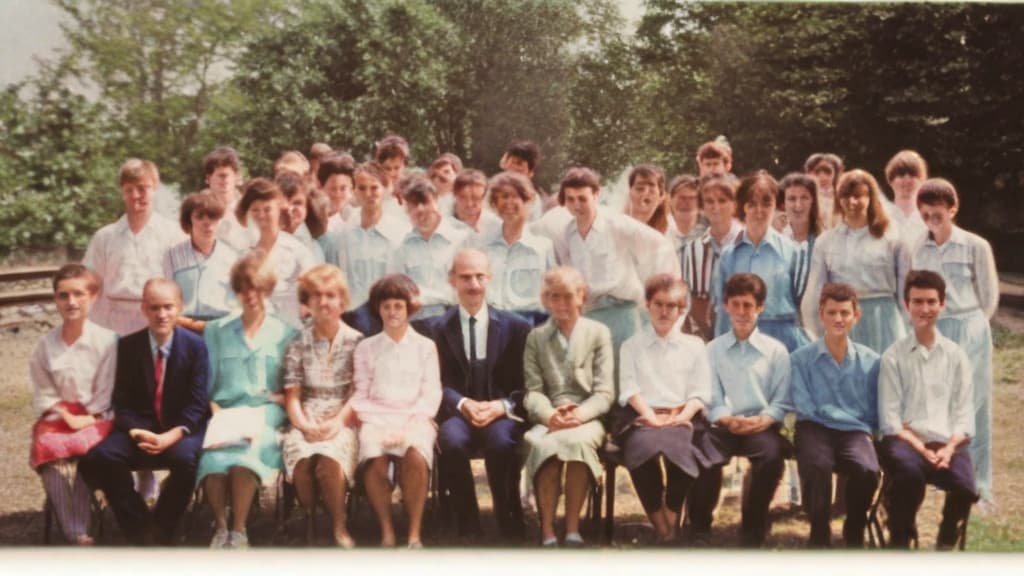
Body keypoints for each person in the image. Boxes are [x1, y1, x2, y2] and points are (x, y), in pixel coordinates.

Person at [79, 279, 210, 545]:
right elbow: (120, 400)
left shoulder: (195, 346)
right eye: (154, 308)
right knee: (101, 457)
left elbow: (198, 403)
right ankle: (138, 526)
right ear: (143, 309)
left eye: (168, 307)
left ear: (180, 308)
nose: (161, 314)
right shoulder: (127, 347)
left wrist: (172, 436)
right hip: (140, 428)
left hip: (180, 430)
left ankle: (163, 526)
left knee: (188, 460)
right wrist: (136, 430)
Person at [429, 250, 532, 540]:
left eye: (479, 277)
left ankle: (507, 516)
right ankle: (467, 522)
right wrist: (461, 403)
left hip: (500, 412)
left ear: (489, 278)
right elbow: (436, 379)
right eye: (465, 278)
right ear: (452, 281)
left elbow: (526, 383)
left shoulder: (516, 327)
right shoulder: (437, 328)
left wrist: (501, 406)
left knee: (501, 442)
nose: (473, 284)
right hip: (458, 411)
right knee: (451, 441)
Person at [197, 253, 296, 549]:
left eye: (257, 288)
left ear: (267, 290)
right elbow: (208, 384)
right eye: (243, 289)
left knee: (245, 456)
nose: (251, 296)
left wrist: (279, 400)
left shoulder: (285, 332)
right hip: (225, 411)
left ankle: (239, 530)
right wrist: (216, 413)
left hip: (266, 413)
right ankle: (221, 528)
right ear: (236, 291)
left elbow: (292, 385)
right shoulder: (216, 331)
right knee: (214, 459)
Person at [911, 178, 999, 508]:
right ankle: (947, 474)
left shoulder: (975, 245)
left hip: (969, 325)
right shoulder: (917, 248)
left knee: (974, 405)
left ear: (953, 210)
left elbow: (989, 298)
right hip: (935, 329)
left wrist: (971, 328)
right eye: (925, 214)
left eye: (937, 213)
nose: (932, 219)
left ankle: (981, 486)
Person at [688, 273, 792, 547]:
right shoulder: (713, 349)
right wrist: (725, 418)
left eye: (748, 305)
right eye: (736, 305)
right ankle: (699, 526)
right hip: (724, 424)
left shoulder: (776, 352)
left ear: (760, 308)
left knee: (771, 458)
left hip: (760, 426)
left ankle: (753, 526)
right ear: (726, 306)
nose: (742, 312)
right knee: (704, 453)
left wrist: (764, 419)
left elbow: (781, 401)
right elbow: (710, 394)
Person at [878, 270, 978, 549]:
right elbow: (890, 420)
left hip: (946, 442)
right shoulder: (893, 357)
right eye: (918, 301)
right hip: (905, 441)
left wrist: (948, 449)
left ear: (942, 304)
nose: (925, 309)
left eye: (931, 302)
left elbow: (964, 414)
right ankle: (901, 535)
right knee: (908, 475)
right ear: (907, 305)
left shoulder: (956, 356)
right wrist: (921, 450)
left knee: (966, 486)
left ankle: (946, 542)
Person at [614, 274, 716, 544]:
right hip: (642, 414)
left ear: (681, 310)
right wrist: (650, 417)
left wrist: (680, 417)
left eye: (671, 306)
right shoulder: (631, 346)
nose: (664, 311)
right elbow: (629, 389)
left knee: (684, 450)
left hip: (682, 416)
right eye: (658, 304)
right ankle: (663, 527)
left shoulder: (694, 346)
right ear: (647, 305)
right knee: (641, 452)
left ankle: (671, 514)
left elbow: (700, 392)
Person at [552, 167, 680, 371]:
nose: (577, 205)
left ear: (596, 194)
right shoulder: (566, 234)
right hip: (588, 315)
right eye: (570, 199)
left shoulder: (616, 224)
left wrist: (658, 289)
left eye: (582, 199)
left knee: (624, 377)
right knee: (595, 378)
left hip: (621, 313)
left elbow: (659, 244)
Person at [522, 267, 614, 548]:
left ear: (581, 297)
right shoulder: (536, 337)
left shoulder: (598, 333)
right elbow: (533, 390)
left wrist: (580, 414)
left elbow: (605, 392)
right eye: (554, 297)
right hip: (549, 416)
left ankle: (573, 528)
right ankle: (548, 529)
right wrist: (549, 415)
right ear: (546, 300)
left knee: (577, 444)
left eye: (568, 296)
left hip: (586, 416)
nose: (561, 303)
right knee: (544, 445)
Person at [350, 274, 441, 548]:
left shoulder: (426, 347)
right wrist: (383, 427)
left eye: (398, 306)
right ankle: (387, 531)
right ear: (378, 308)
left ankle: (414, 534)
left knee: (415, 454)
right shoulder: (366, 347)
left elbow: (431, 393)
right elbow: (361, 394)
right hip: (376, 419)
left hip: (415, 418)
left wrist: (406, 428)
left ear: (409, 308)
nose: (392, 312)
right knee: (375, 458)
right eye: (386, 306)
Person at [29, 264, 118, 545]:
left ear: (93, 297)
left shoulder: (107, 341)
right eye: (63, 295)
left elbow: (107, 388)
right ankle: (75, 532)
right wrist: (65, 415)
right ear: (55, 299)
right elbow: (42, 389)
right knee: (49, 451)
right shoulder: (46, 344)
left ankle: (81, 526)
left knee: (85, 453)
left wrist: (89, 417)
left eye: (78, 294)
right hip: (60, 415)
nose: (71, 302)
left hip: (97, 416)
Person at [790, 283, 880, 548]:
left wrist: (861, 429)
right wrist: (840, 416)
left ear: (856, 315)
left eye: (844, 312)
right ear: (821, 315)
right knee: (818, 466)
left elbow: (874, 409)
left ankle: (854, 527)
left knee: (867, 470)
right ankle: (819, 532)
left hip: (854, 431)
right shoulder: (800, 359)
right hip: (815, 427)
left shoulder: (871, 361)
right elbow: (805, 406)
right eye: (832, 313)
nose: (838, 319)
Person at [281, 264, 364, 548]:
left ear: (342, 301)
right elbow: (292, 394)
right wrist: (303, 425)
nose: (324, 302)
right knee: (303, 462)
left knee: (329, 462)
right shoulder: (297, 341)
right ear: (307, 301)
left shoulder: (357, 341)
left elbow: (358, 393)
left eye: (331, 295)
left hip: (344, 415)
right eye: (316, 295)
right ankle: (311, 516)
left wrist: (337, 422)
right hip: (305, 415)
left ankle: (339, 524)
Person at [801, 169, 911, 354]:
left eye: (858, 196)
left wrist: (910, 331)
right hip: (843, 320)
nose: (851, 202)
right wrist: (819, 334)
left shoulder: (892, 239)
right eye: (845, 196)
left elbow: (905, 292)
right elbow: (814, 294)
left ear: (871, 199)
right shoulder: (826, 242)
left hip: (884, 321)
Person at [83, 158, 185, 336]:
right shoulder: (105, 237)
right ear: (122, 192)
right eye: (129, 190)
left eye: (142, 188)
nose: (135, 195)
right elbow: (89, 285)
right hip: (112, 324)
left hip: (157, 321)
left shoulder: (175, 235)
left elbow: (183, 286)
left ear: (155, 187)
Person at [714, 172, 809, 351]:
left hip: (784, 338)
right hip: (742, 337)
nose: (759, 211)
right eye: (752, 204)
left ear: (776, 205)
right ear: (742, 206)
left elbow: (801, 305)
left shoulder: (792, 252)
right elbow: (722, 310)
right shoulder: (729, 255)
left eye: (766, 203)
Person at [330, 161, 410, 332]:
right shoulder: (342, 234)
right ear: (354, 192)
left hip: (388, 316)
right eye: (362, 188)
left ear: (386, 189)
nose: (368, 194)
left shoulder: (400, 233)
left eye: (374, 188)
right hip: (351, 316)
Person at [473, 171, 555, 326]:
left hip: (530, 322)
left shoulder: (543, 247)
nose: (509, 202)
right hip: (490, 321)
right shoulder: (483, 246)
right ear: (494, 204)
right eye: (503, 197)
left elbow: (553, 292)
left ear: (528, 201)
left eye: (515, 196)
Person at [236, 177, 317, 328]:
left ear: (279, 209)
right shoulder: (242, 252)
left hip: (291, 329)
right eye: (255, 210)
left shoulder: (298, 250)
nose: (261, 215)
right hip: (255, 329)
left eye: (267, 209)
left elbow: (311, 289)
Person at [388, 173, 470, 319]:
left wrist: (426, 297)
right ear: (407, 209)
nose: (420, 210)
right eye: (413, 204)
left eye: (425, 202)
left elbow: (467, 288)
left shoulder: (461, 239)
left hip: (455, 318)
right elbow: (399, 291)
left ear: (436, 201)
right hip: (417, 322)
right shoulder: (401, 247)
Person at [163, 192, 238, 334]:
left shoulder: (232, 256)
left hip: (221, 329)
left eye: (212, 217)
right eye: (199, 217)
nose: (207, 223)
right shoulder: (172, 255)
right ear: (189, 221)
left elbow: (239, 304)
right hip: (183, 327)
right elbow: (167, 299)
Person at [682, 175, 744, 341]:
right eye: (709, 201)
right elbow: (692, 299)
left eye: (722, 201)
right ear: (702, 207)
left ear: (735, 205)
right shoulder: (692, 249)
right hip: (707, 337)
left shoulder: (748, 244)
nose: (715, 207)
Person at [778, 172, 823, 308]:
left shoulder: (824, 241)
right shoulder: (775, 241)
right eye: (791, 199)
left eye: (804, 198)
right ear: (783, 203)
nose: (798, 205)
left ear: (813, 201)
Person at [202, 146, 253, 251]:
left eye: (227, 175)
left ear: (237, 177)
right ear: (208, 179)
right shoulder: (196, 209)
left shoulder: (251, 209)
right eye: (220, 176)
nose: (224, 179)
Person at [277, 171, 327, 264]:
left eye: (297, 203)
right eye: (284, 203)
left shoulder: (314, 248)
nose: (290, 209)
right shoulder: (267, 242)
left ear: (307, 207)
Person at [884, 150, 929, 246]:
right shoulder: (881, 216)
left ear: (922, 180)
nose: (907, 180)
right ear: (890, 180)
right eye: (901, 175)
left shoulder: (930, 218)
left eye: (913, 175)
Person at [500, 139, 549, 217]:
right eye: (512, 162)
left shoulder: (533, 201)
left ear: (530, 173)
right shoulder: (493, 193)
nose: (513, 167)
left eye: (519, 164)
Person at [665, 174, 708, 260]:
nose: (687, 203)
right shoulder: (660, 230)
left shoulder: (709, 232)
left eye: (692, 198)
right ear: (670, 199)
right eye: (682, 198)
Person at [450, 169, 502, 235]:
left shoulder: (497, 227)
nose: (469, 204)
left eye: (476, 198)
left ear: (484, 198)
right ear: (454, 195)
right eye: (463, 197)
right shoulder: (441, 223)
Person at [624, 164, 670, 234]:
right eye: (640, 189)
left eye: (651, 189)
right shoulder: (616, 226)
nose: (645, 193)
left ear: (661, 197)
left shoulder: (669, 233)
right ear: (630, 193)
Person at [804, 153, 844, 230]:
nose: (823, 177)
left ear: (836, 174)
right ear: (808, 173)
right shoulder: (798, 197)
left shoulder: (842, 198)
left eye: (828, 172)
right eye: (817, 172)